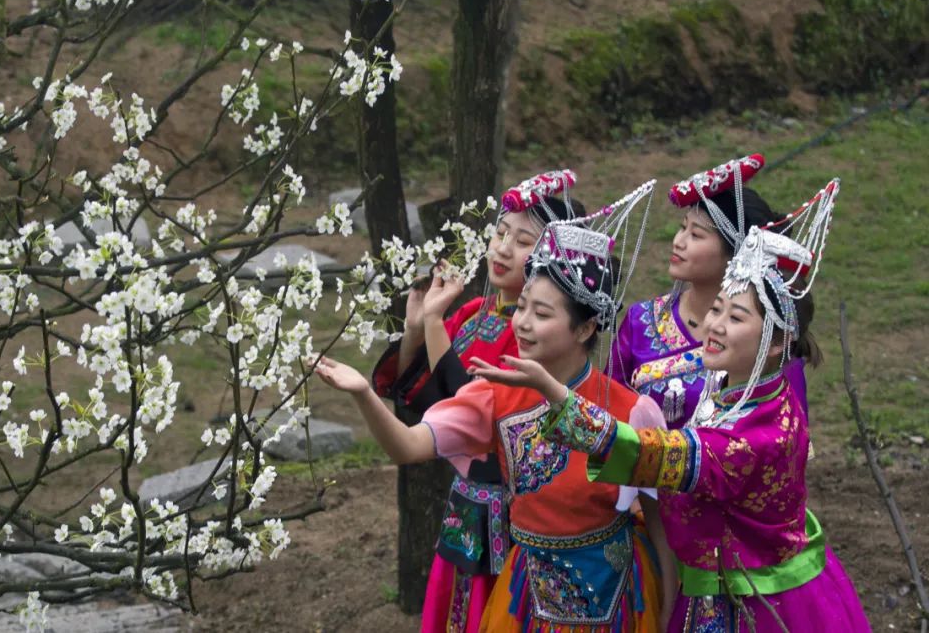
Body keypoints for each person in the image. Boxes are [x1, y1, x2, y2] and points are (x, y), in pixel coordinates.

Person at [478, 179, 871, 631]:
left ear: (778, 341)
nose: (714, 326)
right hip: (706, 580)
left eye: (735, 317)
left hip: (754, 602)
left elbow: (653, 454)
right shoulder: (738, 391)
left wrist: (557, 394)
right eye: (716, 310)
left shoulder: (759, 436)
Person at [317, 182, 675, 632]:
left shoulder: (633, 411)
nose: (522, 323)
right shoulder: (494, 394)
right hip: (525, 598)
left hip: (619, 599)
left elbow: (661, 526)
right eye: (522, 307)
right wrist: (363, 394)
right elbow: (406, 447)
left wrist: (668, 610)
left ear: (585, 329)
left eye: (542, 315)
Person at [371, 170, 584, 632]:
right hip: (466, 505)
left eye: (522, 241)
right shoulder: (473, 314)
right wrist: (417, 328)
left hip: (511, 509)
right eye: (500, 233)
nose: (503, 249)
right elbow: (426, 399)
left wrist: (433, 325)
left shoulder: (536, 338)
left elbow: (473, 409)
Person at [607, 155, 808, 428]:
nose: (678, 242)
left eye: (696, 235)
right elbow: (607, 412)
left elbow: (788, 434)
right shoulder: (641, 320)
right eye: (682, 228)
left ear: (736, 252)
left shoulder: (765, 343)